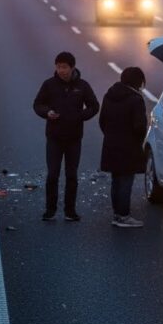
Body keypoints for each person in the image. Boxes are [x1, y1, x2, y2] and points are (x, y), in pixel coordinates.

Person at [33, 51, 99, 221]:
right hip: (54, 137)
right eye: (58, 67)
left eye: (64, 67)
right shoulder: (49, 85)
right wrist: (47, 112)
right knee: (53, 174)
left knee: (71, 175)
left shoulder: (82, 86)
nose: (61, 70)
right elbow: (37, 104)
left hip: (74, 138)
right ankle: (50, 210)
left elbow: (94, 106)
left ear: (72, 67)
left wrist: (80, 116)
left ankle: (70, 211)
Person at [99, 67, 148, 228]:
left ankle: (116, 213)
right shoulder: (136, 99)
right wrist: (137, 142)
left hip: (111, 144)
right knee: (126, 180)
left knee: (116, 179)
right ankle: (124, 215)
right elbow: (140, 126)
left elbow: (102, 121)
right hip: (129, 146)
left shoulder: (109, 95)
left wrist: (111, 135)